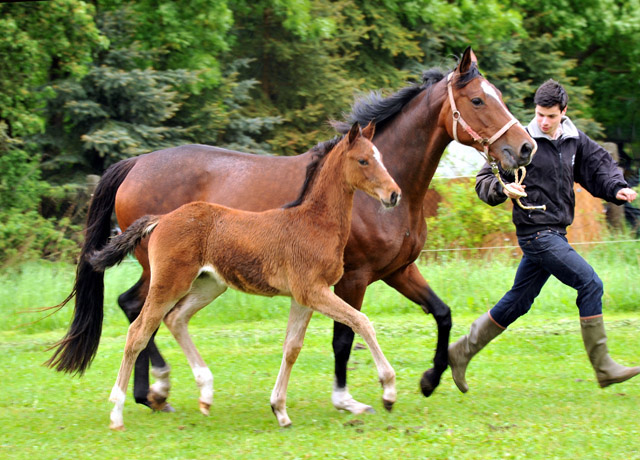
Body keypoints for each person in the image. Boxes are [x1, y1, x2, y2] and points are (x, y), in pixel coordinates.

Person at [449, 79, 640, 392]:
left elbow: (598, 167)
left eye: (550, 115)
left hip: (556, 233)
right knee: (590, 282)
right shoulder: (522, 142)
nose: (544, 121)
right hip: (537, 234)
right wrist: (503, 188)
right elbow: (484, 180)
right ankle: (604, 367)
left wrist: (616, 188)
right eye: (539, 114)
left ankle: (459, 352)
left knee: (519, 301)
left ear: (563, 112)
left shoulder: (572, 140)